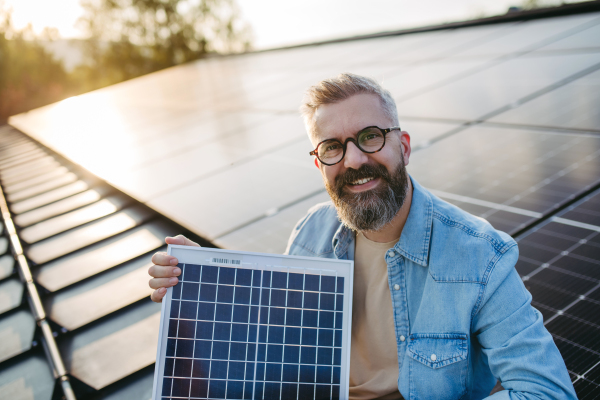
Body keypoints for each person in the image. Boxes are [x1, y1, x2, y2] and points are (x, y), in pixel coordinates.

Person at [148, 73, 576, 399]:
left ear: (403, 147)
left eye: (370, 137)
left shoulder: (479, 256)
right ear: (319, 165)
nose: (353, 160)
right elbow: (277, 341)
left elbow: (548, 390)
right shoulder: (312, 231)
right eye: (332, 147)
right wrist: (203, 283)